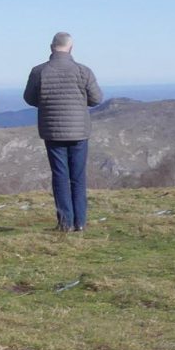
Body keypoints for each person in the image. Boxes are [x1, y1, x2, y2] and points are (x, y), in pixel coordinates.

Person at [25, 31, 105, 233]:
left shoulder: (39, 71)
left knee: (60, 175)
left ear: (51, 47)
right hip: (79, 131)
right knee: (77, 176)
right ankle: (80, 222)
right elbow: (96, 99)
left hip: (52, 131)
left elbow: (30, 98)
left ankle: (65, 222)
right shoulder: (83, 71)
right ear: (71, 47)